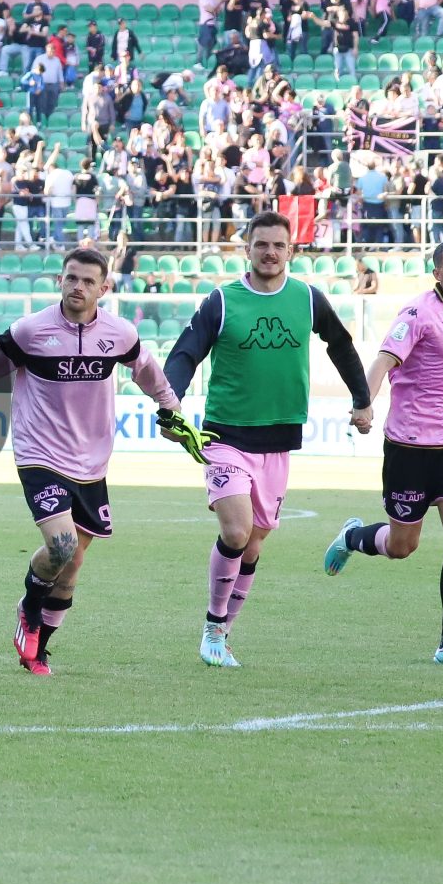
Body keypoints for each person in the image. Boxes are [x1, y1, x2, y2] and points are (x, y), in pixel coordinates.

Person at [0, 246, 200, 675]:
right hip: (39, 453)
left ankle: (40, 648)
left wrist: (171, 408)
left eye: (87, 281)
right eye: (71, 278)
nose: (77, 286)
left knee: (72, 565)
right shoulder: (31, 330)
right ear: (60, 279)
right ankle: (29, 608)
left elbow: (147, 369)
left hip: (92, 462)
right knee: (60, 545)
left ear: (104, 288)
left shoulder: (120, 333)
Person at [163, 210, 376, 668]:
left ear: (291, 251)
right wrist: (169, 401)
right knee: (236, 532)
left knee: (254, 545)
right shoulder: (222, 300)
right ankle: (212, 629)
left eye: (279, 245)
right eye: (261, 244)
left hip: (278, 440)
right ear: (248, 249)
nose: (270, 252)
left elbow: (340, 344)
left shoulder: (307, 298)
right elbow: (185, 352)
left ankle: (224, 633)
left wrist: (362, 399)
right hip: (224, 436)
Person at [321, 238, 443, 666]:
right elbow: (382, 361)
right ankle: (353, 537)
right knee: (402, 546)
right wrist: (365, 403)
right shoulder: (417, 314)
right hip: (410, 446)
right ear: (437, 273)